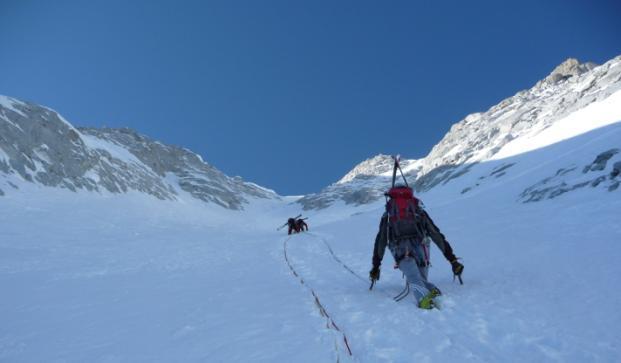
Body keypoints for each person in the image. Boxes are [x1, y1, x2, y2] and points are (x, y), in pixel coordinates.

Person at [369, 185, 464, 309]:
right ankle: (433, 291)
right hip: (421, 246)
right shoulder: (418, 211)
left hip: (399, 248)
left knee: (414, 277)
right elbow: (436, 235)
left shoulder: (387, 215)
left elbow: (380, 241)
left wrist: (376, 266)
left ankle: (424, 300)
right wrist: (452, 260)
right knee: (418, 277)